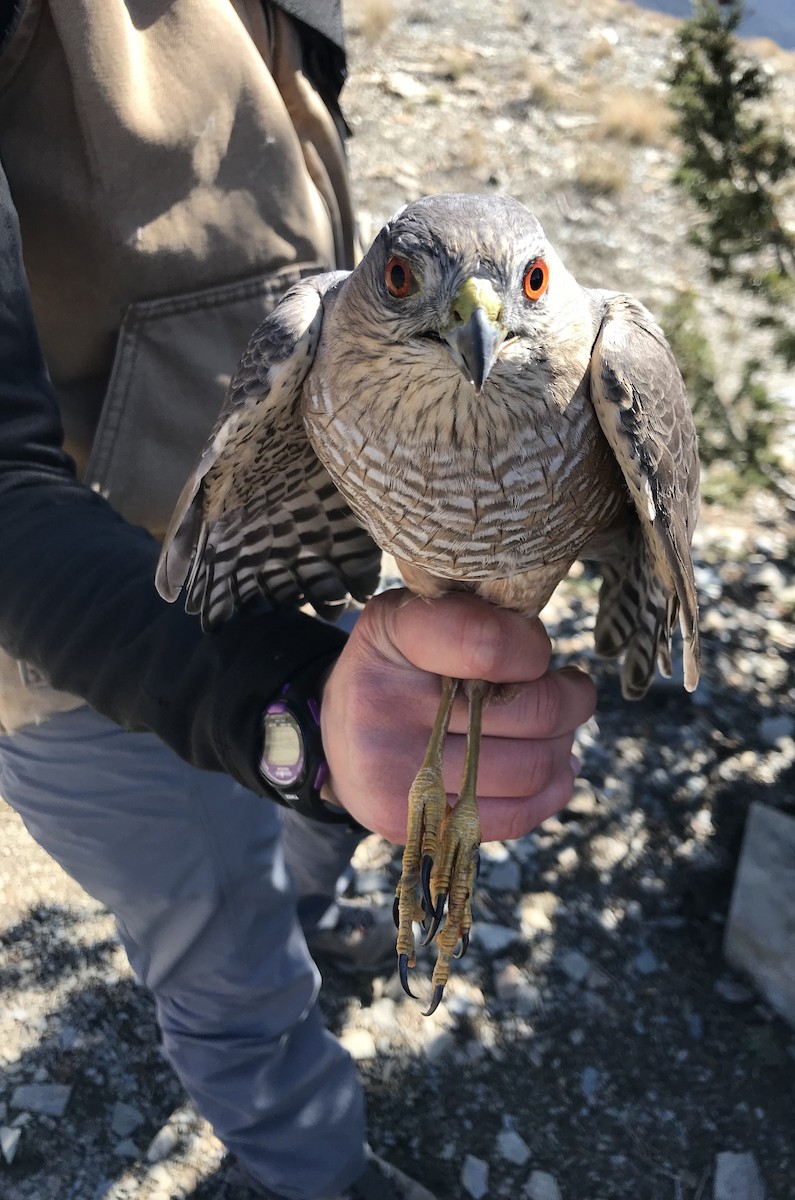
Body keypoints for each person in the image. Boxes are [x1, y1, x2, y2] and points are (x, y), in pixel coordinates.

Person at [0, 3, 595, 1198]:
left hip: (295, 583)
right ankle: (313, 1174)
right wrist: (286, 706)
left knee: (318, 823)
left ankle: (311, 912)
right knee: (230, 958)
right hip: (87, 660)